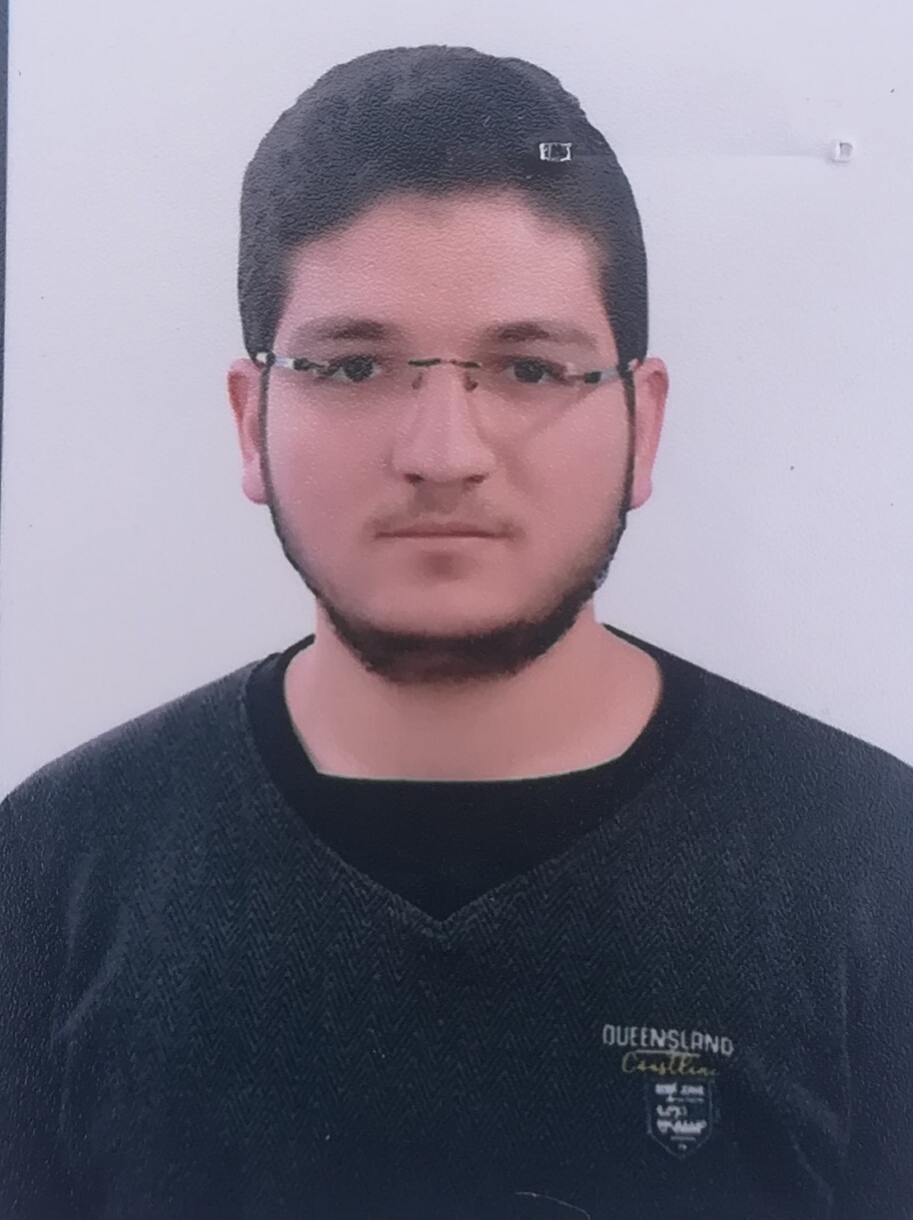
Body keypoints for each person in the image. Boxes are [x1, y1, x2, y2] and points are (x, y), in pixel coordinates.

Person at [0, 44, 910, 1220]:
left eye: (528, 366)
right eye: (352, 366)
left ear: (642, 422)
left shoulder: (874, 866)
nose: (442, 451)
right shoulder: (52, 873)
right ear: (250, 416)